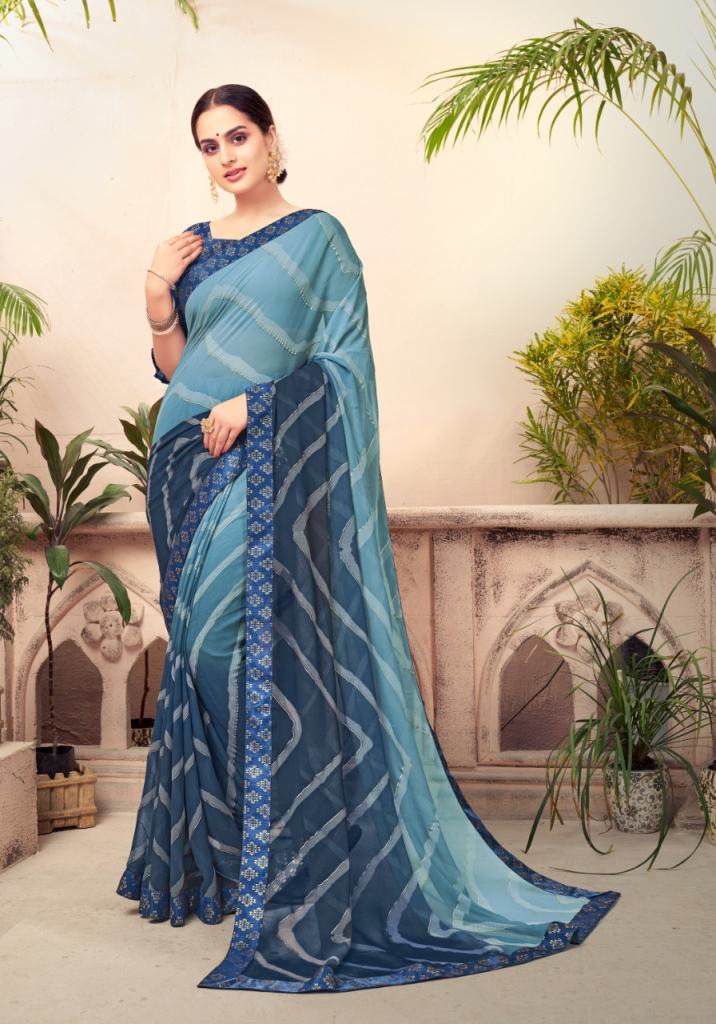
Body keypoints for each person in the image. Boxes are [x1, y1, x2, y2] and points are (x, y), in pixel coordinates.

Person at [116, 83, 620, 993]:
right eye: (209, 145)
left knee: (238, 648)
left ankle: (300, 855)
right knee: (196, 652)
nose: (226, 156)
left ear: (272, 138)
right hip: (187, 468)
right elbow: (179, 367)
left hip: (268, 458)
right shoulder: (190, 249)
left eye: (238, 135)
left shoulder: (320, 238)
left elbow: (344, 367)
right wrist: (158, 294)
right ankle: (242, 855)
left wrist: (260, 404)